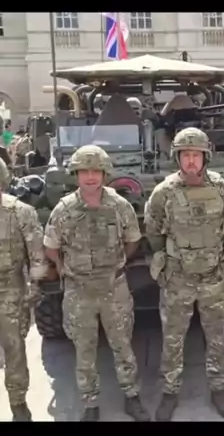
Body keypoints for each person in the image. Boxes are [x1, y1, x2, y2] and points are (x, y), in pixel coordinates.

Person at [43, 145, 150, 421]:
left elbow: (133, 240)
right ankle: (90, 404)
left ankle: (132, 396)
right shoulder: (64, 209)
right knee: (84, 351)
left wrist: (117, 262)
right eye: (84, 172)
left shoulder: (119, 205)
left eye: (95, 171)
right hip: (79, 291)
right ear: (76, 175)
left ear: (104, 174)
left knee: (123, 346)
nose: (90, 177)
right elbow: (51, 247)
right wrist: (65, 268)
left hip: (113, 288)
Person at [144, 127, 224, 422]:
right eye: (185, 155)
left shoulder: (222, 189)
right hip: (178, 279)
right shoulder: (164, 192)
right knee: (173, 338)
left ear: (205, 157)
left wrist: (215, 254)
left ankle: (218, 388)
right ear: (177, 157)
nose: (190, 161)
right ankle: (170, 391)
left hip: (214, 278)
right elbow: (153, 230)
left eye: (195, 155)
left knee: (217, 337)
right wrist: (171, 257)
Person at [0, 157, 49, 420]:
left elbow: (36, 254)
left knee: (14, 350)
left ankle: (18, 403)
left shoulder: (21, 212)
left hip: (10, 292)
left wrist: (35, 285)